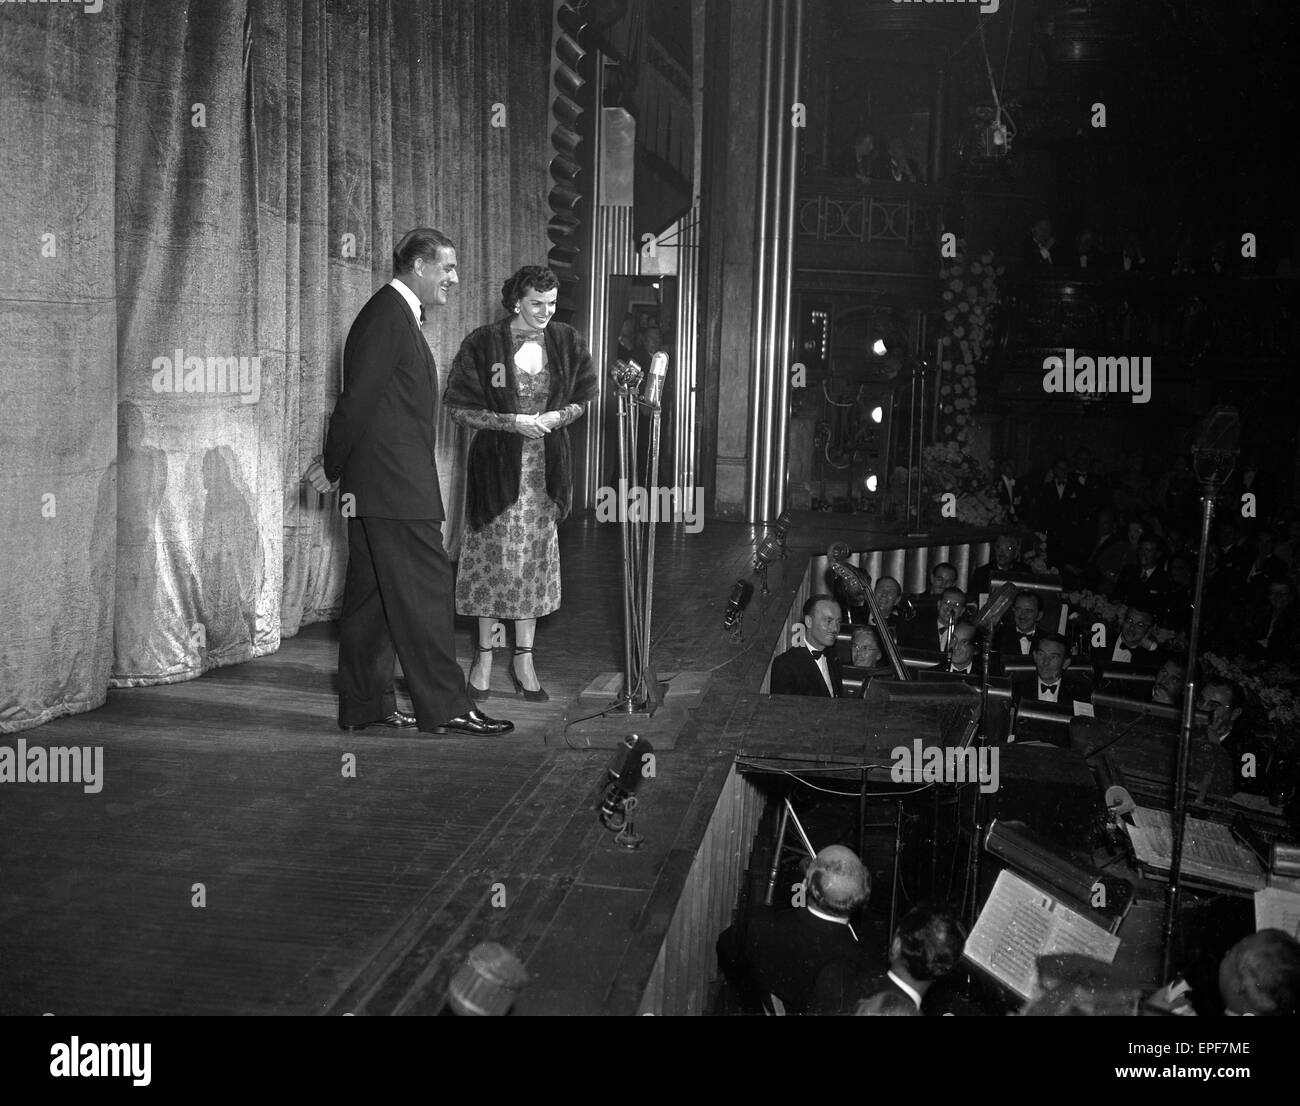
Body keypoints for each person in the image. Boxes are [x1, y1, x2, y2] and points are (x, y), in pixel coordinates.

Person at [308, 228, 513, 738]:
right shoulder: (386, 317)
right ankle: (445, 706)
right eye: (447, 268)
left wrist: (340, 469)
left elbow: (381, 404)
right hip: (394, 488)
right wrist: (332, 466)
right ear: (419, 266)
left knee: (371, 600)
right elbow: (355, 403)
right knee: (426, 592)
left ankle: (366, 706)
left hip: (380, 487)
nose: (455, 278)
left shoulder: (394, 316)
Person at [444, 265, 599, 702]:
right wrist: (511, 423)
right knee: (492, 565)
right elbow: (458, 407)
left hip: (544, 473)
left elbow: (584, 397)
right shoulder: (483, 342)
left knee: (532, 566)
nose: (545, 312)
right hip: (496, 471)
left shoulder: (567, 341)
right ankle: (485, 657)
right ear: (516, 301)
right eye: (536, 304)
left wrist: (557, 417)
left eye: (551, 304)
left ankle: (524, 658)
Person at [717, 845, 880, 1015]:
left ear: (804, 884)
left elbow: (725, 947)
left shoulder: (759, 928)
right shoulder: (868, 971)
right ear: (863, 898)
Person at [770, 595, 844, 697]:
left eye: (838, 622)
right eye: (828, 621)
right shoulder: (786, 665)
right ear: (809, 621)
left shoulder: (834, 658)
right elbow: (782, 710)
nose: (835, 628)